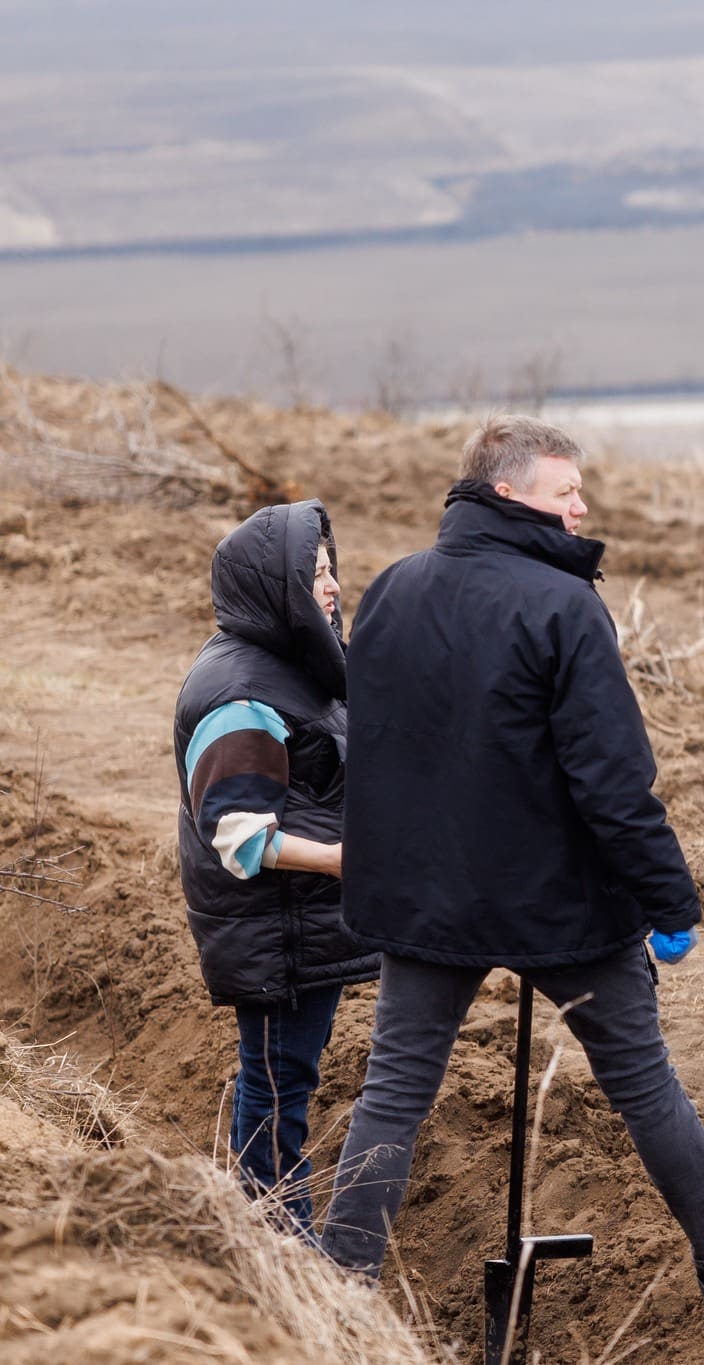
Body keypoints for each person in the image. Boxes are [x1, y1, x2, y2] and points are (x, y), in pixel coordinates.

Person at [319, 416, 704, 1320]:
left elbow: (377, 751)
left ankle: (331, 1293)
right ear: (509, 491)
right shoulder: (564, 605)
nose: (582, 506)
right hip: (561, 904)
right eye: (568, 490)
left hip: (425, 898)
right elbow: (614, 782)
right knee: (643, 1082)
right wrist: (668, 899)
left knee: (393, 1094)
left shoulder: (392, 589)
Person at [173, 500, 378, 1238]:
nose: (332, 585)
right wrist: (339, 861)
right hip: (277, 933)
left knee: (286, 1074)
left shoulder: (292, 665)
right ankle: (276, 1239)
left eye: (329, 568)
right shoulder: (242, 694)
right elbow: (237, 836)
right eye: (314, 573)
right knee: (276, 1082)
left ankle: (272, 1227)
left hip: (301, 925)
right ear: (276, 587)